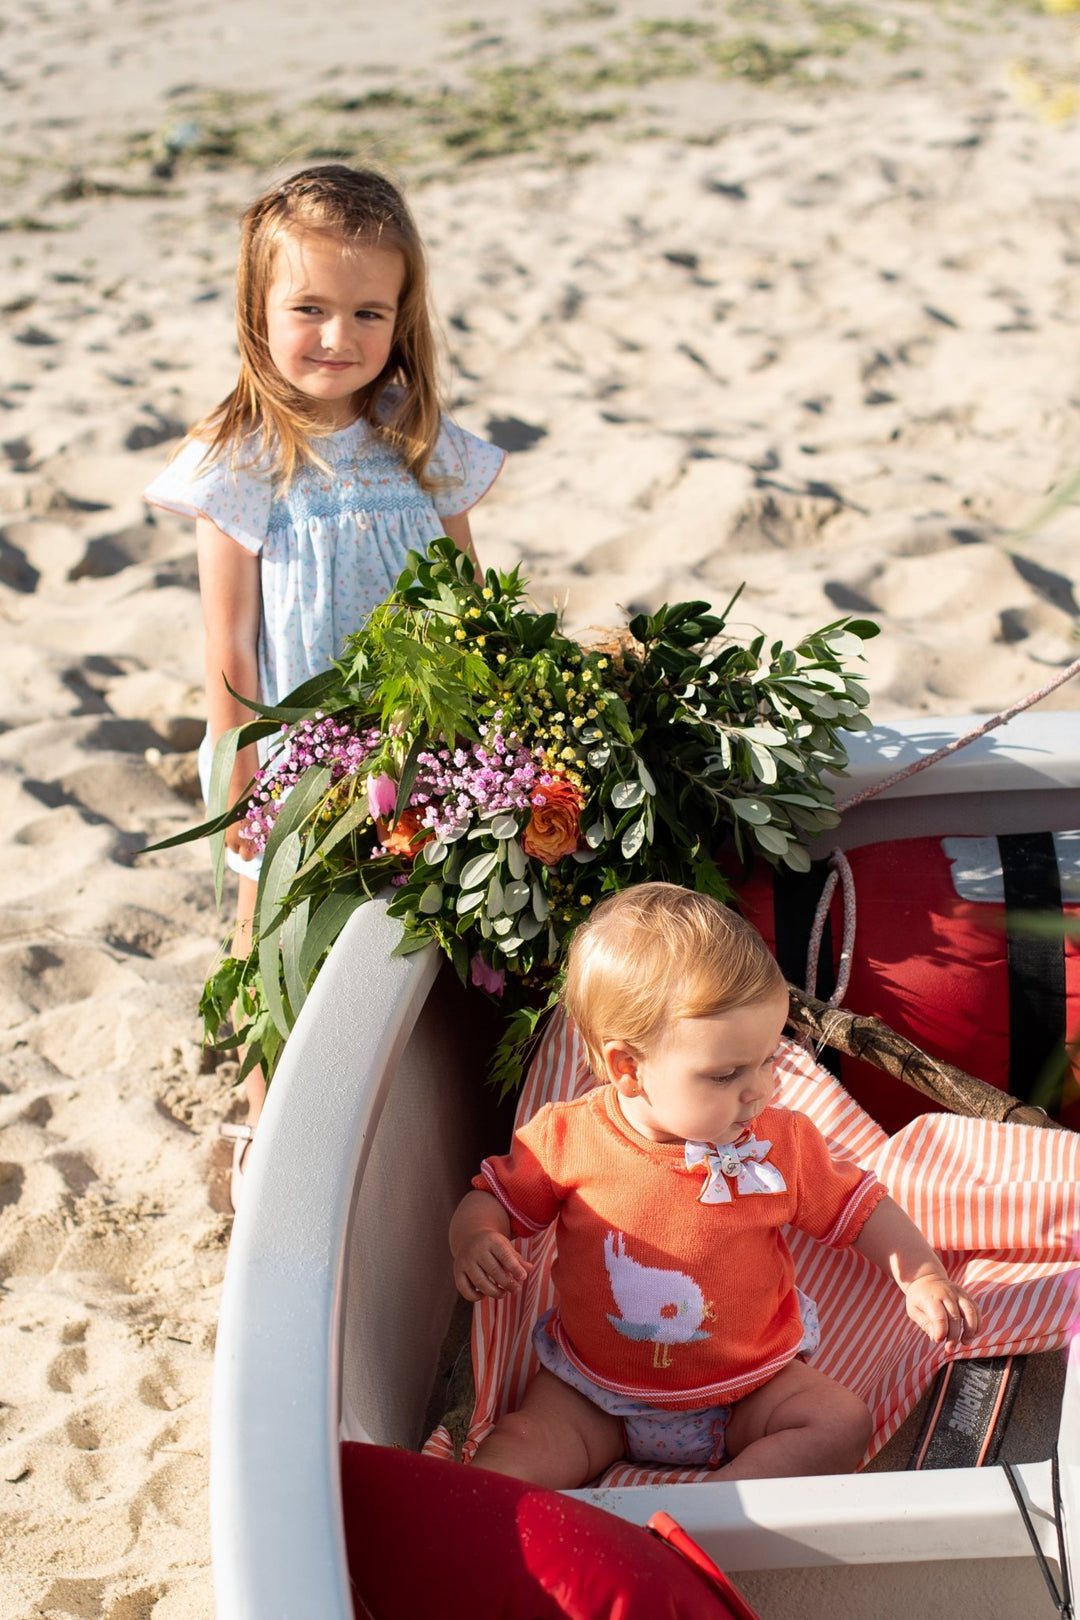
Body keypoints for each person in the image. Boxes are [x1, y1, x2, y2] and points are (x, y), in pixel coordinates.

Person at [145, 165, 505, 1203]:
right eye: (308, 308)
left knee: (426, 926)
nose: (338, 336)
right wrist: (242, 786)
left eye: (368, 312)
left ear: (402, 318)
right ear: (258, 310)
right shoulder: (242, 460)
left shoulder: (421, 444)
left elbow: (469, 600)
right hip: (297, 760)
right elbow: (231, 646)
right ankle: (267, 1115)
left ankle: (426, 1122)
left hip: (426, 743)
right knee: (277, 936)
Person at [450, 883, 981, 1488]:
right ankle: (482, 1520)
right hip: (593, 1397)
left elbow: (860, 1207)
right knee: (516, 1449)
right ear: (629, 1068)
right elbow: (490, 1199)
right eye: (726, 1074)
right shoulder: (569, 1138)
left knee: (839, 1422)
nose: (759, 1090)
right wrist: (476, 1238)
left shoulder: (778, 1141)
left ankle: (724, 1507)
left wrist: (922, 1275)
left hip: (751, 1389)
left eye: (769, 1060)